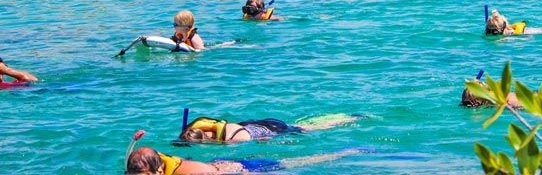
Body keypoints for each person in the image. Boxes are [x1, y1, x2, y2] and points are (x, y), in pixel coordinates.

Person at [126, 146, 367, 174]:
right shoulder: (148, 164)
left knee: (299, 163)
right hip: (217, 162)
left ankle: (347, 153)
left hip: (235, 170)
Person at [179, 113, 363, 144]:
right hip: (257, 122)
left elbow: (262, 139)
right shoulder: (207, 127)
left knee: (311, 129)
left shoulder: (233, 140)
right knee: (304, 125)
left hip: (274, 129)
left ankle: (350, 120)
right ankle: (343, 117)